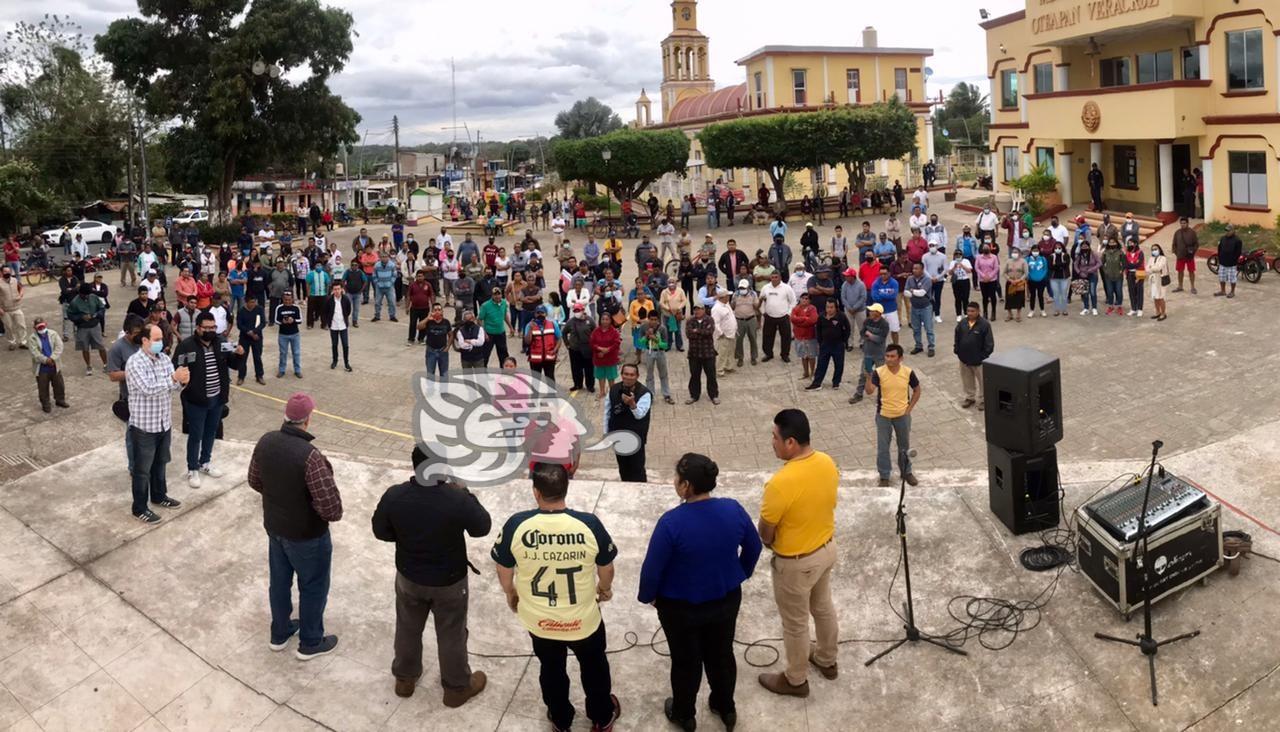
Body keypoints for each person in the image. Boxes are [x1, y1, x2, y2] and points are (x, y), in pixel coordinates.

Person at [491, 463, 621, 732]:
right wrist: (604, 588)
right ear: (566, 488)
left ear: (535, 492)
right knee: (595, 668)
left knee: (551, 669)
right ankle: (601, 716)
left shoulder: (517, 524)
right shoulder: (589, 524)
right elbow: (606, 567)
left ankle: (561, 720)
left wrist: (510, 593)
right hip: (583, 621)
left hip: (540, 621)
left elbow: (504, 568)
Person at [639, 453, 761, 731]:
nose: (674, 482)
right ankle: (725, 707)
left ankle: (684, 714)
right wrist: (738, 574)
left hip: (680, 609)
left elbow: (652, 570)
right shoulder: (733, 509)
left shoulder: (671, 523)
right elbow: (753, 547)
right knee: (721, 655)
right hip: (726, 599)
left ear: (686, 487)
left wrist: (651, 596)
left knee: (685, 662)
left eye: (676, 478)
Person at [372, 446, 491, 704]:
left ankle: (405, 678)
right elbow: (482, 527)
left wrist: (405, 540)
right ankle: (456, 687)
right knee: (451, 632)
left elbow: (380, 531)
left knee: (407, 626)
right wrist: (465, 492)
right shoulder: (455, 498)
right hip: (449, 580)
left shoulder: (395, 495)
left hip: (409, 576)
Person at [248, 392, 342, 660]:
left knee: (279, 581)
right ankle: (311, 641)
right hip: (306, 535)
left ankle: (280, 633)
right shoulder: (310, 456)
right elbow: (332, 508)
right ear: (308, 421)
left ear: (286, 417)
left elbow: (254, 480)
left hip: (275, 528)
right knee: (313, 585)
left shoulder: (266, 441)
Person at [756, 408, 839, 697]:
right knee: (823, 606)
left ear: (790, 442)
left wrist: (772, 542)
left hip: (796, 563)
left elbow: (765, 532)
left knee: (795, 624)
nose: (772, 442)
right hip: (826, 550)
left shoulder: (780, 483)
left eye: (775, 437)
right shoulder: (827, 462)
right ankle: (827, 660)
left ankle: (795, 679)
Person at [125, 323, 189, 523]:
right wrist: (173, 378)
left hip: (163, 423)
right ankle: (140, 507)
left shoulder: (164, 360)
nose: (161, 343)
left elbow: (174, 388)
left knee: (160, 463)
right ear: (144, 340)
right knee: (142, 470)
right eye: (157, 339)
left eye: (162, 339)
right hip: (144, 427)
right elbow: (148, 388)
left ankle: (159, 496)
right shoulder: (135, 363)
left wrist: (182, 381)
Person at [172, 312, 240, 487]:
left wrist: (239, 354)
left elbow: (234, 364)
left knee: (211, 432)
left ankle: (205, 462)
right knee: (196, 435)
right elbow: (174, 368)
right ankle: (192, 468)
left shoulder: (222, 343)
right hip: (196, 400)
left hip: (217, 398)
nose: (210, 331)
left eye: (213, 327)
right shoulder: (186, 346)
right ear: (198, 328)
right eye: (206, 328)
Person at [864, 344, 920, 487]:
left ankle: (906, 472)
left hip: (902, 415)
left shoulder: (908, 372)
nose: (889, 359)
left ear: (900, 358)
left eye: (892, 356)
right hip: (883, 415)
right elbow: (870, 391)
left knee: (904, 446)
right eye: (887, 356)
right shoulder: (879, 372)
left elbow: (917, 390)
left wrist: (909, 409)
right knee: (883, 447)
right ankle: (884, 476)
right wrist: (868, 377)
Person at [604, 363, 652, 481]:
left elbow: (640, 415)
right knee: (623, 467)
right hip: (618, 436)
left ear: (637, 376)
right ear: (621, 375)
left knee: (637, 468)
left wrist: (632, 404)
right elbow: (607, 412)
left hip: (636, 438)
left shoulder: (645, 393)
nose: (629, 377)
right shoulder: (613, 389)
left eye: (632, 375)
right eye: (626, 374)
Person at [954, 302, 994, 409]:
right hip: (964, 359)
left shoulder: (985, 325)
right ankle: (970, 397)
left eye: (972, 311)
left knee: (983, 382)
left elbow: (989, 344)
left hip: (979, 361)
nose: (970, 313)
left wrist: (982, 356)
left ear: (978, 311)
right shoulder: (962, 323)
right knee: (967, 380)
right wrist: (957, 350)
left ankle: (982, 400)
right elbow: (957, 337)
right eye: (968, 311)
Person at [805, 300, 850, 390]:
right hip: (825, 345)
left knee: (839, 364)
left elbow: (847, 329)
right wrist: (820, 341)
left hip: (838, 345)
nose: (829, 309)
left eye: (831, 307)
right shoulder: (821, 316)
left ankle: (836, 382)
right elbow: (818, 329)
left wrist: (843, 341)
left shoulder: (841, 316)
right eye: (827, 307)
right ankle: (817, 383)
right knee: (821, 364)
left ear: (835, 307)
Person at [28, 317, 69, 413]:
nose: (41, 329)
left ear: (45, 324)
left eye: (42, 326)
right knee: (43, 388)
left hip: (55, 365)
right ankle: (45, 404)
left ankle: (60, 400)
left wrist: (53, 358)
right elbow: (34, 353)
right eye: (39, 328)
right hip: (42, 368)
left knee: (59, 385)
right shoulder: (32, 338)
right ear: (35, 328)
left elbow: (59, 346)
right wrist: (46, 360)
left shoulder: (53, 334)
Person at [68, 283, 109, 375]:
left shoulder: (93, 297)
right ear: (80, 293)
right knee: (85, 348)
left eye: (87, 295)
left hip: (95, 326)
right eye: (84, 295)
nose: (86, 296)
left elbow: (102, 308)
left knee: (101, 346)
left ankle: (106, 364)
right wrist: (81, 317)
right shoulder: (74, 302)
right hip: (83, 328)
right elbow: (70, 315)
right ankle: (88, 366)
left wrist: (97, 315)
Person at [760, 270, 796, 363]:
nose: (774, 279)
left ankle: (784, 355)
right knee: (767, 336)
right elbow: (761, 300)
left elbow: (793, 302)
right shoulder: (765, 288)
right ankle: (768, 354)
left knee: (786, 337)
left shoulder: (787, 288)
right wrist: (763, 312)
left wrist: (789, 313)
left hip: (783, 317)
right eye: (772, 277)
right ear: (770, 278)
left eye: (776, 277)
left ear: (780, 277)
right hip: (769, 316)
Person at [903, 262, 935, 357]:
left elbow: (922, 293)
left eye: (917, 268)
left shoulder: (927, 280)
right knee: (916, 329)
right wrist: (914, 292)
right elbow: (905, 292)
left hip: (926, 307)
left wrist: (912, 291)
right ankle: (918, 345)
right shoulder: (910, 279)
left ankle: (931, 347)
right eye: (913, 268)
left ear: (922, 270)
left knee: (929, 328)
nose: (914, 270)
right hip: (914, 307)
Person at [321, 282, 353, 371]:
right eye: (335, 289)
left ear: (342, 289)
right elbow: (325, 312)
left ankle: (346, 363)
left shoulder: (346, 299)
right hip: (334, 326)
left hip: (343, 326)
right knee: (334, 345)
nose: (337, 291)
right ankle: (334, 361)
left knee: (345, 345)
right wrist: (328, 322)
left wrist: (345, 319)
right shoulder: (329, 300)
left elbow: (348, 310)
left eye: (338, 289)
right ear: (332, 290)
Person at [524, 304, 561, 380]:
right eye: (538, 313)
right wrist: (531, 329)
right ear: (535, 314)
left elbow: (559, 339)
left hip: (549, 357)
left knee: (550, 379)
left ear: (546, 314)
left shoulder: (553, 324)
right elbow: (527, 341)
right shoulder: (529, 325)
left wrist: (555, 350)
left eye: (542, 313)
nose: (540, 315)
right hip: (535, 358)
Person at [236, 294, 266, 384]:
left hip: (257, 338)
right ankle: (241, 377)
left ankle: (259, 376)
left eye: (254, 302)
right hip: (244, 338)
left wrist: (255, 332)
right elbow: (239, 325)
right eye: (251, 302)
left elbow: (263, 323)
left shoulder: (259, 309)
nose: (253, 304)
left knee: (257, 357)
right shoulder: (241, 311)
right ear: (246, 302)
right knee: (242, 357)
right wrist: (249, 332)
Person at [729, 279, 759, 367]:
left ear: (748, 287)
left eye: (744, 288)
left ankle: (753, 357)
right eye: (741, 288)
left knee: (753, 339)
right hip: (739, 320)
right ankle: (740, 358)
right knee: (739, 340)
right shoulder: (736, 294)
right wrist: (733, 302)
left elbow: (756, 306)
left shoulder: (753, 294)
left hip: (751, 319)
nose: (742, 289)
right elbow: (732, 307)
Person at [274, 291, 303, 378]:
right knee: (283, 353)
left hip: (295, 334)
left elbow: (300, 320)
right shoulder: (279, 308)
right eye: (285, 300)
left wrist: (293, 320)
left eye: (289, 300)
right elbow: (275, 320)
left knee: (296, 353)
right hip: (283, 335)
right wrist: (282, 322)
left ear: (292, 299)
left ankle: (297, 370)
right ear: (283, 299)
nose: (287, 302)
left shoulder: (296, 308)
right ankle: (282, 370)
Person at [869, 267, 900, 346]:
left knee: (894, 330)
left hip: (891, 310)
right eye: (881, 274)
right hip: (879, 312)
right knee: (879, 331)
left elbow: (893, 296)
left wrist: (881, 294)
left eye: (884, 274)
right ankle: (879, 347)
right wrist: (887, 295)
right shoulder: (875, 283)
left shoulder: (894, 283)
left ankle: (896, 346)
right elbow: (874, 297)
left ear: (889, 273)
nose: (882, 276)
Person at [710, 290, 737, 378]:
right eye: (727, 296)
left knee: (730, 351)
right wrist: (721, 333)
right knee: (722, 353)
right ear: (722, 297)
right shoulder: (716, 308)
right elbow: (715, 323)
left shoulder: (726, 304)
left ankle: (728, 366)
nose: (729, 297)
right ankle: (719, 370)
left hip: (731, 333)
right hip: (724, 335)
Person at [0, 267, 27, 350]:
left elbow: (21, 288)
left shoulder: (15, 280)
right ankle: (12, 342)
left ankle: (22, 342)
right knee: (9, 327)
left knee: (21, 325)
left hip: (17, 307)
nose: (7, 273)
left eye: (9, 271)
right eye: (5, 271)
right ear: (1, 272)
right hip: (5, 310)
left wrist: (20, 295)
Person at [1171, 216, 1199, 293]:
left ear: (1187, 223)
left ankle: (1193, 287)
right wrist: (1176, 252)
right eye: (1181, 223)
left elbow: (1196, 244)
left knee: (1191, 271)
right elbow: (1174, 244)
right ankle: (1180, 286)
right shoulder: (1177, 233)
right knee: (1180, 271)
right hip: (1180, 256)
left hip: (1189, 256)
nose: (1183, 224)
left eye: (1184, 223)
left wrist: (1193, 252)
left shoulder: (1192, 232)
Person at [1215, 224, 1242, 299]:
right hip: (1222, 262)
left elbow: (1238, 252)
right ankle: (1223, 291)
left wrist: (1233, 260)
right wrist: (1220, 258)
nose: (1227, 232)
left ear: (1233, 231)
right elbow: (1219, 249)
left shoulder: (1237, 240)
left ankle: (1232, 292)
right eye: (1226, 230)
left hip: (1231, 263)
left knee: (1232, 278)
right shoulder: (1222, 238)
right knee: (1221, 277)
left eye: (1229, 230)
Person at [1100, 238, 1126, 314]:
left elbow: (1124, 264)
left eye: (1113, 242)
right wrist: (1105, 271)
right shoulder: (1105, 252)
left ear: (1116, 243)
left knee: (1119, 291)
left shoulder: (1120, 252)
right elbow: (1101, 263)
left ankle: (1119, 307)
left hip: (1118, 276)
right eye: (1110, 242)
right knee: (1110, 292)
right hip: (1108, 276)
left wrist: (1121, 271)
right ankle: (1110, 306)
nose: (1112, 244)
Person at [1002, 248, 1027, 322]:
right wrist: (1010, 280)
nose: (1014, 254)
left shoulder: (1023, 261)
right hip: (1010, 282)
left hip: (1019, 282)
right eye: (1013, 252)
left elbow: (1026, 273)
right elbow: (1004, 273)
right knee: (1009, 298)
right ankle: (1010, 314)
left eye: (1016, 252)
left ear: (1019, 253)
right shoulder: (1008, 261)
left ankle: (1018, 315)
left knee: (1019, 298)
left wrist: (1019, 280)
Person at [1123, 239, 1146, 317]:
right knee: (1131, 291)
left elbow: (1139, 263)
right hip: (1130, 274)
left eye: (1131, 243)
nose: (1130, 244)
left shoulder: (1140, 253)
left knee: (1139, 291)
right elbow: (1125, 264)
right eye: (1128, 243)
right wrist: (1132, 265)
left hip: (1139, 273)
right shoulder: (1127, 253)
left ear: (1135, 244)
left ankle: (1140, 309)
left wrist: (1131, 265)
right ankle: (1133, 308)